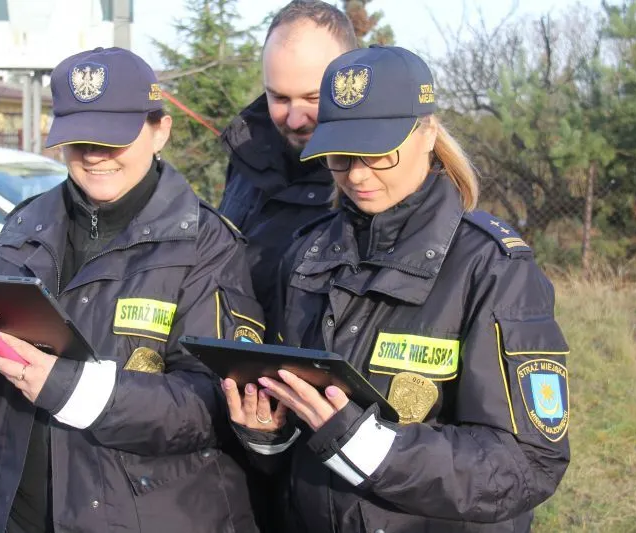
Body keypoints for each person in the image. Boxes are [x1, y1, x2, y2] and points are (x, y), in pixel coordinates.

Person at [224, 45, 571, 533]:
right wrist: (268, 436)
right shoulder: (305, 256)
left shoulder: (493, 268)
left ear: (427, 132)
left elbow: (528, 464)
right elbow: (295, 440)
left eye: (378, 153)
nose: (358, 175)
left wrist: (366, 445)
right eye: (340, 157)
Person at [0, 47, 264, 533]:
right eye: (79, 139)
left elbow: (214, 402)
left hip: (149, 517)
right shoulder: (25, 227)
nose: (95, 155)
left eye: (114, 137)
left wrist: (72, 389)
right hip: (22, 511)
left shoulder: (206, 244)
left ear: (159, 130)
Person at [218, 0, 357, 325]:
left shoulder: (371, 181)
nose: (295, 120)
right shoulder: (245, 155)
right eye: (279, 98)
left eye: (313, 98)